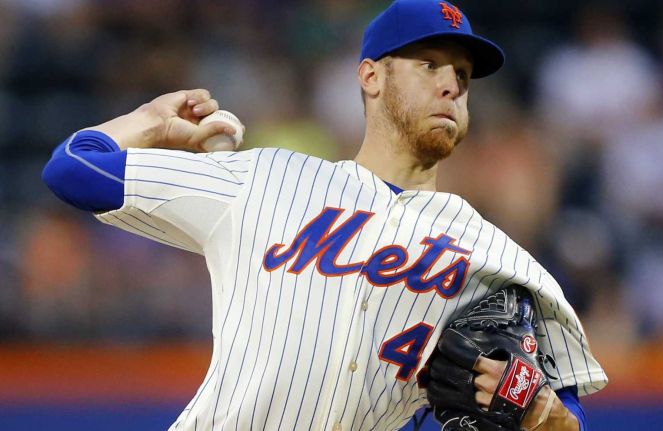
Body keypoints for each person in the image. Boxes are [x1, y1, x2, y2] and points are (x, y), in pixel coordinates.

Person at [43, 1, 607, 430]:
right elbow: (73, 170)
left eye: (462, 75)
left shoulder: (494, 256)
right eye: (429, 64)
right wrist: (149, 122)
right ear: (371, 77)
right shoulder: (265, 178)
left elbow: (568, 413)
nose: (451, 85)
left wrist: (541, 412)